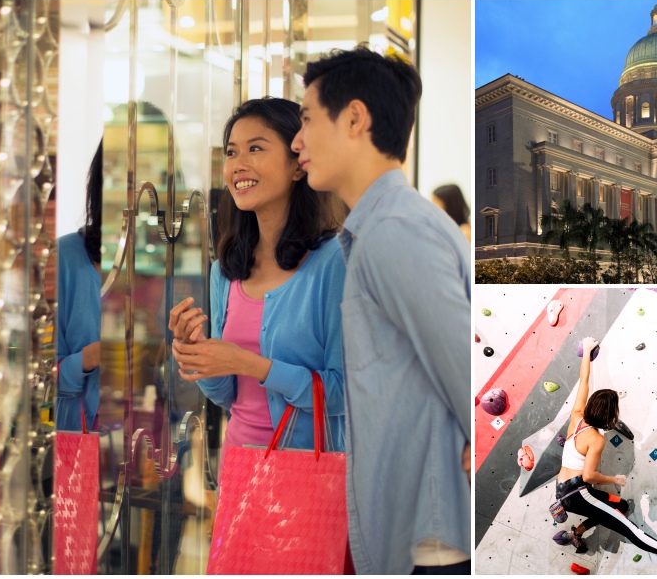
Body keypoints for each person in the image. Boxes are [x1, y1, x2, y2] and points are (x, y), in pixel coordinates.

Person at [291, 46, 471, 575]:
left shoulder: (394, 230)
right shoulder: (387, 225)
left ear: (353, 118)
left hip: (430, 535)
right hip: (424, 526)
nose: (297, 141)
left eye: (306, 119)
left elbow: (465, 365)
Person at [169, 97, 346, 459]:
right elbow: (227, 395)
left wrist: (250, 364)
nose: (238, 165)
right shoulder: (227, 269)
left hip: (311, 480)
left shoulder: (336, 262)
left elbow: (347, 393)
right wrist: (200, 355)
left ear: (298, 164)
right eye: (231, 152)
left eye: (255, 148)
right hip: (239, 470)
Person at [556, 337, 657, 569]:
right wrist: (614, 479)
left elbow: (584, 380)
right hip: (578, 492)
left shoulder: (577, 416)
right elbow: (588, 476)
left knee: (621, 506)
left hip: (564, 490)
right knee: (630, 528)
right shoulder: (595, 439)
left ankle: (577, 532)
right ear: (608, 416)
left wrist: (586, 351)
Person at [56, 140, 103, 431]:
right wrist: (88, 359)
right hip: (80, 440)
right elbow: (37, 377)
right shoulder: (64, 257)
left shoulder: (171, 266)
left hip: (154, 445)